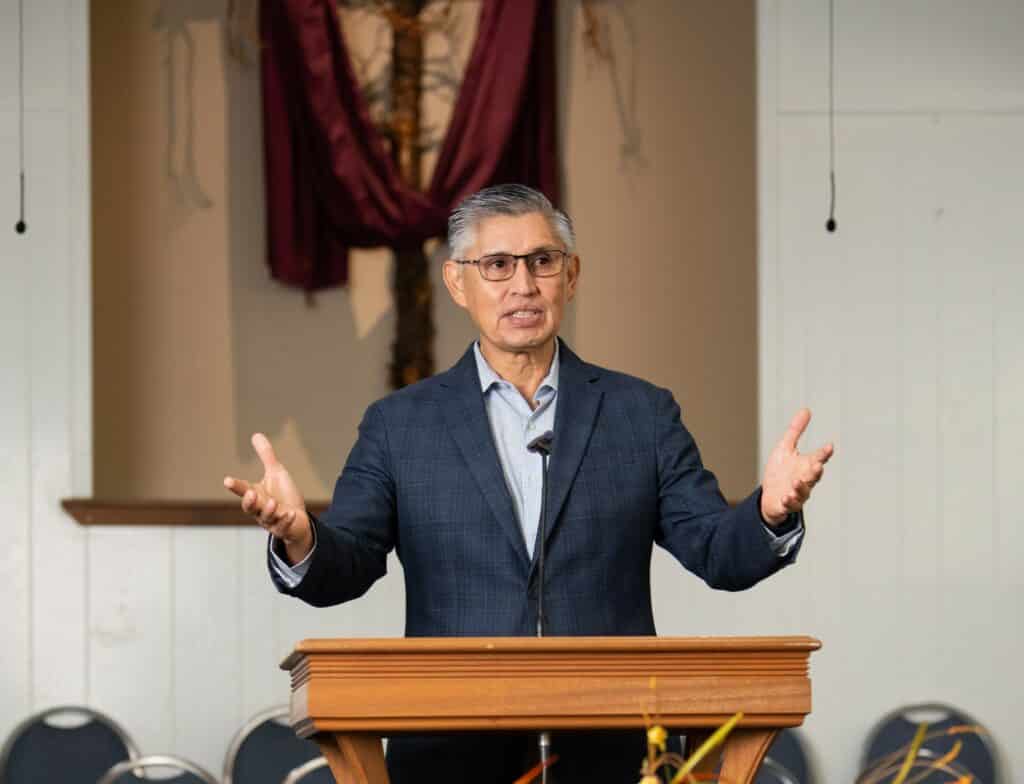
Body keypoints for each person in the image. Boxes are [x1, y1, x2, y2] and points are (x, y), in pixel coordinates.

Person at [223, 184, 833, 783]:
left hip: (609, 746)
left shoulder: (640, 414)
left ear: (570, 276)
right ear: (458, 282)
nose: (523, 285)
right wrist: (301, 538)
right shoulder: (400, 425)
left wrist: (769, 514)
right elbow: (348, 564)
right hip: (449, 748)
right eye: (497, 265)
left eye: (542, 261)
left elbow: (716, 550)